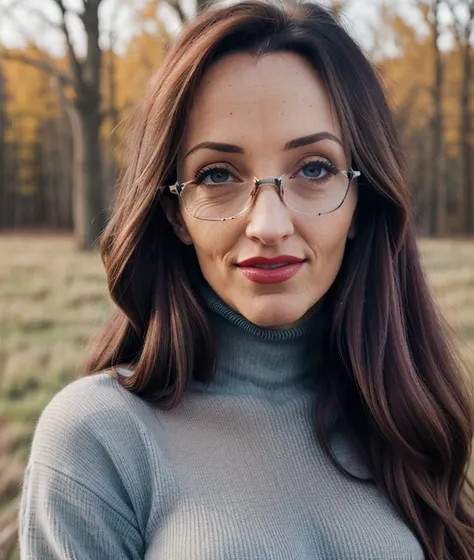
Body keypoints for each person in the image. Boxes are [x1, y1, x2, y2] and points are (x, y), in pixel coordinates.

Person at [19, 1, 474, 558]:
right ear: (173, 214)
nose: (269, 225)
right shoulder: (97, 441)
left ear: (362, 198)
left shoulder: (405, 420)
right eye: (217, 175)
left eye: (314, 169)